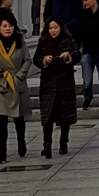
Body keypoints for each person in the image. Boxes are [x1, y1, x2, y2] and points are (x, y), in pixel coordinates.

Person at [0, 12, 32, 161]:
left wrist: (19, 75)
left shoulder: (20, 42)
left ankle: (21, 142)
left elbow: (27, 60)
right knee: (2, 120)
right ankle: (2, 152)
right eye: (4, 26)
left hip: (18, 83)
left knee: (19, 119)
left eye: (10, 26)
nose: (8, 29)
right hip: (1, 86)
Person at [35, 12, 80, 156]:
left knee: (64, 114)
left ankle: (63, 142)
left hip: (64, 80)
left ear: (61, 28)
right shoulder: (43, 42)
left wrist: (68, 56)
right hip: (48, 82)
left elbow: (77, 54)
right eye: (50, 28)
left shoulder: (68, 40)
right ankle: (46, 144)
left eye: (56, 27)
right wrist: (45, 60)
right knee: (47, 114)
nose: (53, 30)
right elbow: (36, 59)